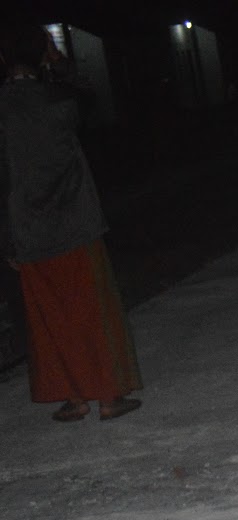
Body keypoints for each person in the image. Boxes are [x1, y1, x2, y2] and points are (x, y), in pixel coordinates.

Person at [0, 22, 140, 422]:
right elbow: (91, 95)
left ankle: (75, 397)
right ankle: (108, 396)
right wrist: (59, 66)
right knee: (91, 308)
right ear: (44, 55)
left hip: (29, 228)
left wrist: (7, 239)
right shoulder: (58, 99)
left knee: (51, 316)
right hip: (76, 219)